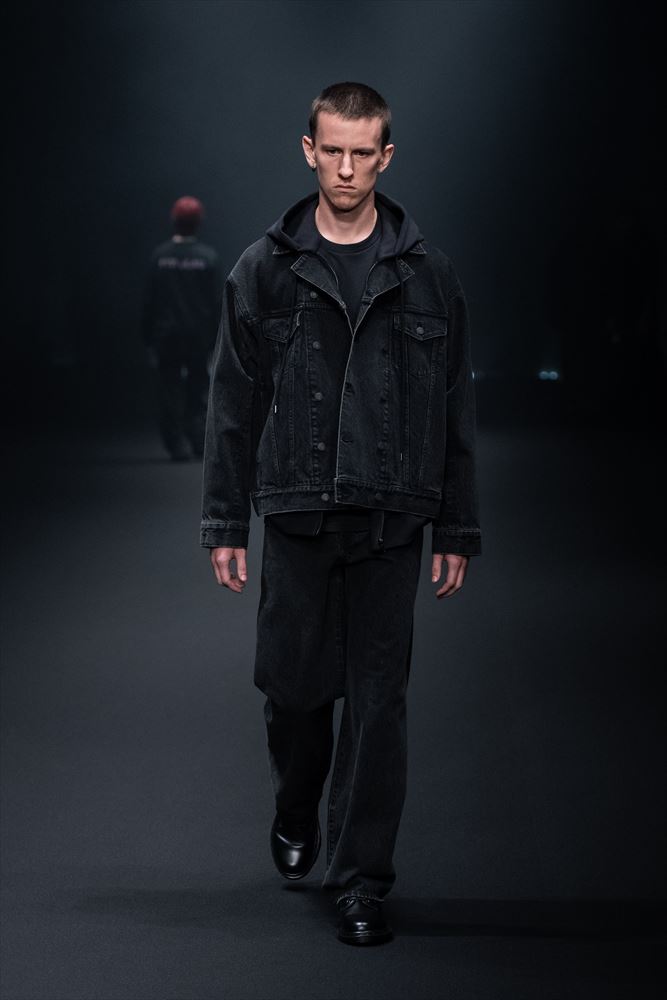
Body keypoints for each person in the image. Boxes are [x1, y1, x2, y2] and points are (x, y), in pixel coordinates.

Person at [200, 82, 481, 945]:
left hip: (391, 517)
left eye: (363, 153)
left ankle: (361, 882)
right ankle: (296, 803)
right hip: (296, 514)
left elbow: (454, 406)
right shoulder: (263, 269)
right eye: (334, 151)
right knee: (293, 693)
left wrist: (456, 525)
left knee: (377, 706)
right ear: (309, 151)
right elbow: (231, 402)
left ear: (385, 157)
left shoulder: (427, 273)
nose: (348, 169)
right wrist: (224, 521)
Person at [143, 196, 222, 460]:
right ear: (199, 222)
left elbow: (150, 302)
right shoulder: (207, 258)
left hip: (167, 336)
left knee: (169, 389)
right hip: (199, 336)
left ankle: (175, 444)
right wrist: (217, 339)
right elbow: (216, 303)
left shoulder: (160, 257)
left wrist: (148, 340)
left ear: (173, 220)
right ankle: (198, 441)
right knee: (198, 388)